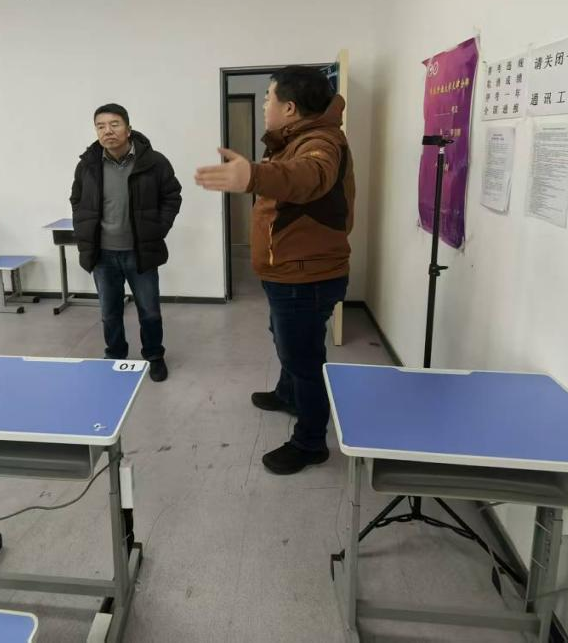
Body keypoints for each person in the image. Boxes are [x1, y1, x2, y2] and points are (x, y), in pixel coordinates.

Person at [194, 67, 355, 474]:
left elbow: (308, 177)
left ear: (290, 107)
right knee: (285, 340)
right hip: (289, 271)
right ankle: (288, 394)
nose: (265, 105)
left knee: (303, 358)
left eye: (268, 98)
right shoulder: (294, 140)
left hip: (306, 276)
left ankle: (310, 442)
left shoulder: (321, 142)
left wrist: (253, 174)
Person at [72, 103, 182, 382]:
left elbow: (172, 196)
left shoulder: (154, 162)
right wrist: (84, 229)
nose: (107, 131)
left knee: (150, 311)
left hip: (140, 252)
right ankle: (115, 355)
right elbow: (77, 200)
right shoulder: (87, 165)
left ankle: (154, 356)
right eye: (100, 126)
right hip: (103, 254)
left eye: (114, 124)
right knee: (110, 313)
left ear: (128, 129)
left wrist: (158, 228)